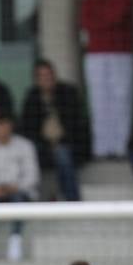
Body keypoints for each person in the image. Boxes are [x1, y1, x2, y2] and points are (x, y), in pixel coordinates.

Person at [80, 0, 133, 158]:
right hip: (96, 52)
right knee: (99, 100)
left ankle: (121, 147)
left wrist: (99, 19)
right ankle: (102, 148)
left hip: (121, 52)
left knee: (121, 99)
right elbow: (85, 20)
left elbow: (118, 15)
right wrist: (102, 20)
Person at [0, 114, 39, 263]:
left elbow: (32, 176)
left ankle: (15, 241)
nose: (2, 129)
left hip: (19, 192)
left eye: (5, 124)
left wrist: (15, 187)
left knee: (19, 199)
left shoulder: (25, 146)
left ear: (11, 126)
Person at [19, 59, 87, 201]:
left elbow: (76, 125)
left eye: (49, 75)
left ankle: (72, 201)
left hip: (68, 143)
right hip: (41, 145)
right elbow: (28, 127)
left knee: (62, 155)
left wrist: (59, 141)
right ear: (36, 79)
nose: (47, 79)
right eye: (42, 76)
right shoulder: (32, 97)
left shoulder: (68, 93)